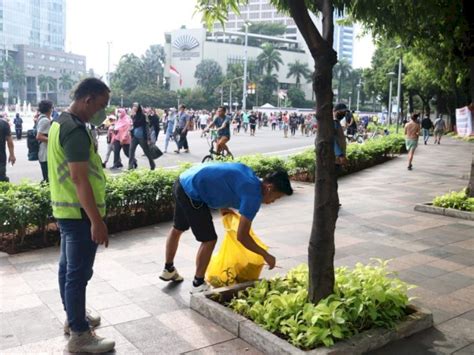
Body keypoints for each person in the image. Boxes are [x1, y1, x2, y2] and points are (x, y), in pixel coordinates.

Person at [47, 78, 115, 353]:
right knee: (78, 274)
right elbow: (79, 179)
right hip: (80, 214)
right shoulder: (75, 130)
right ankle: (79, 334)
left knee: (68, 270)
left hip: (67, 211)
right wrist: (96, 222)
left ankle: (74, 318)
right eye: (101, 105)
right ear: (88, 100)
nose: (102, 112)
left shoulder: (59, 122)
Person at [160, 163, 293, 293]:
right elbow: (242, 236)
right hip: (192, 192)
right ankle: (198, 283)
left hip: (183, 180)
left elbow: (223, 182)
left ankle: (168, 269)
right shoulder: (253, 196)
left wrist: (224, 208)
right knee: (209, 240)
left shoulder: (251, 178)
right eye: (277, 197)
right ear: (269, 188)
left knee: (178, 228)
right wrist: (265, 255)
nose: (273, 201)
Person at [128, 103, 155, 170]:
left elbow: (146, 127)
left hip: (142, 137)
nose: (134, 107)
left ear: (138, 108)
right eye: (133, 106)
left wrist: (148, 138)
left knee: (146, 151)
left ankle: (152, 164)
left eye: (136, 106)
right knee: (131, 151)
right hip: (134, 136)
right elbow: (133, 125)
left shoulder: (143, 116)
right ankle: (130, 167)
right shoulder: (134, 116)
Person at [36, 100, 53, 183]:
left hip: (44, 153)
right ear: (50, 109)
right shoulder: (45, 120)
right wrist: (53, 140)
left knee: (47, 177)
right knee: (48, 178)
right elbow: (39, 136)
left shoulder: (41, 117)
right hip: (45, 154)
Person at [0, 115, 15, 182]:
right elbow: (10, 141)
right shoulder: (4, 123)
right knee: (2, 179)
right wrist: (12, 155)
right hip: (1, 157)